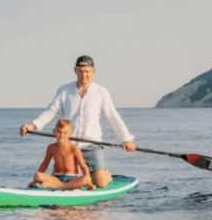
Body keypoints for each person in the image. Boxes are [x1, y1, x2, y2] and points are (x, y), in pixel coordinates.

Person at [19, 55, 135, 188]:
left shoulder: (101, 92)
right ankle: (74, 180)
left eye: (87, 72)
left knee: (101, 183)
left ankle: (103, 173)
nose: (84, 75)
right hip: (67, 146)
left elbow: (113, 117)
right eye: (80, 71)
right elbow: (51, 111)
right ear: (75, 70)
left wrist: (126, 139)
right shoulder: (64, 90)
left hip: (91, 145)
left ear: (93, 71)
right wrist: (32, 125)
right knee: (58, 178)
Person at [29, 118, 95, 190]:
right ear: (54, 132)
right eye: (59, 132)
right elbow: (45, 164)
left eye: (65, 132)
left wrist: (89, 182)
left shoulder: (74, 148)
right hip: (56, 178)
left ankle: (59, 186)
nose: (62, 135)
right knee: (37, 175)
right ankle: (66, 185)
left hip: (71, 178)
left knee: (86, 179)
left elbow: (83, 165)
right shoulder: (51, 147)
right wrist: (34, 181)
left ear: (70, 134)